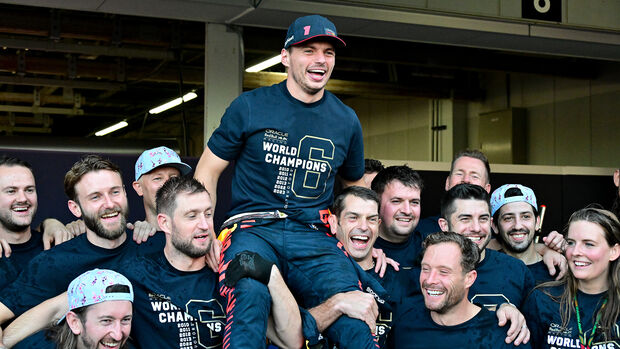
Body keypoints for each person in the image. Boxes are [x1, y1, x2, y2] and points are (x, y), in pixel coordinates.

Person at [194, 14, 378, 348]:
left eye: (328, 52)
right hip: (253, 230)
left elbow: (355, 189)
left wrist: (361, 238)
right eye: (308, 50)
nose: (320, 59)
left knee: (355, 311)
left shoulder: (346, 120)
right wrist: (205, 232)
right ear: (285, 57)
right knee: (248, 292)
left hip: (313, 235)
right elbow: (207, 170)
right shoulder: (250, 107)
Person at [1, 176, 303, 349]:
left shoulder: (230, 272)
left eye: (208, 214)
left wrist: (271, 275)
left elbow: (290, 340)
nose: (203, 226)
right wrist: (5, 341)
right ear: (165, 223)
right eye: (191, 216)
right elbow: (59, 305)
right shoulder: (134, 272)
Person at [0, 155, 163, 345]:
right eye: (95, 197)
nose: (109, 203)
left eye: (115, 192)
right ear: (75, 208)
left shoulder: (158, 246)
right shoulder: (54, 262)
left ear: (125, 193)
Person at [388, 232, 531, 349]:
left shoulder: (504, 336)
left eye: (443, 272)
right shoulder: (404, 326)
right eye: (425, 269)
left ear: (469, 278)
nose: (430, 280)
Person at [524, 207, 620, 349]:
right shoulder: (542, 299)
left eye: (589, 244)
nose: (575, 252)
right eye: (570, 243)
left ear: (614, 251)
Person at [438, 183, 535, 310]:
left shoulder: (516, 270)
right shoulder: (429, 272)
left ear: (490, 222)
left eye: (483, 218)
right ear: (444, 225)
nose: (476, 228)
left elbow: (533, 326)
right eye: (465, 219)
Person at [491, 184, 556, 284]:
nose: (518, 226)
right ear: (495, 226)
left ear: (537, 222)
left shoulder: (558, 270)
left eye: (525, 216)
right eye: (508, 218)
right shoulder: (483, 271)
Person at [417, 149, 491, 235]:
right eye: (459, 174)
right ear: (447, 183)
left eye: (474, 176)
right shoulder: (421, 230)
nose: (466, 180)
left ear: (487, 189)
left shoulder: (491, 233)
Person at [371, 165, 425, 267]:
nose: (407, 211)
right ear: (376, 203)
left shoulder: (430, 250)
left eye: (414, 202)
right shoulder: (361, 249)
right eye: (396, 201)